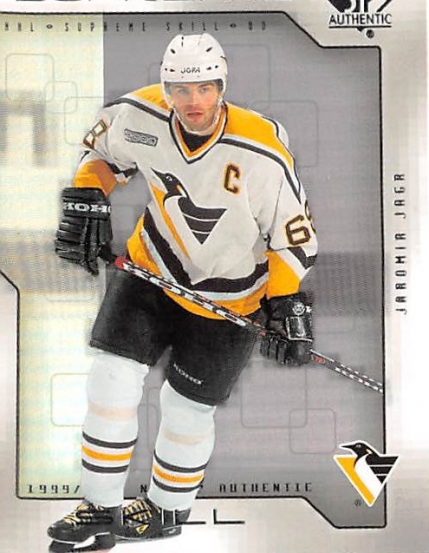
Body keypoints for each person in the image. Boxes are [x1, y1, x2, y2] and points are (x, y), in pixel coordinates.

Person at [48, 33, 318, 552]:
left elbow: (294, 236)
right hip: (153, 269)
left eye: (205, 88)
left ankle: (166, 509)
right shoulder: (138, 115)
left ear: (222, 87)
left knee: (187, 407)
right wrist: (88, 192)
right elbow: (101, 155)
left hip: (232, 299)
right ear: (166, 88)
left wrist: (287, 303)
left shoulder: (261, 149)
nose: (194, 101)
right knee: (111, 381)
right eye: (181, 89)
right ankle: (98, 506)